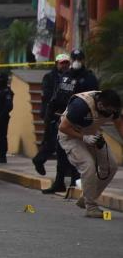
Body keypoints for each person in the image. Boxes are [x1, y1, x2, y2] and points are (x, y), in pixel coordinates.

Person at [58, 89, 123, 218]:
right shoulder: (81, 106)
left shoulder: (113, 107)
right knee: (88, 165)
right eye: (108, 110)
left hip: (92, 133)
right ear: (100, 104)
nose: (109, 113)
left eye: (112, 111)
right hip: (71, 136)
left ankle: (87, 197)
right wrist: (83, 138)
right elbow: (63, 127)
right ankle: (91, 207)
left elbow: (119, 125)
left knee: (111, 166)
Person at [42, 49, 98, 194]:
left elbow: (93, 100)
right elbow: (56, 96)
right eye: (75, 58)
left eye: (79, 58)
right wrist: (49, 116)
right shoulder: (65, 76)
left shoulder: (89, 78)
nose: (77, 61)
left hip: (79, 121)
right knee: (61, 153)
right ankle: (59, 183)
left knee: (76, 154)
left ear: (84, 60)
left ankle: (75, 182)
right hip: (61, 119)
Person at [32, 53, 71, 175]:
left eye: (66, 63)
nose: (64, 65)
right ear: (56, 64)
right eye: (62, 63)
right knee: (51, 141)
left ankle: (67, 169)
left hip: (64, 113)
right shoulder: (49, 77)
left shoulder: (69, 77)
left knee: (63, 141)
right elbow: (47, 96)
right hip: (52, 113)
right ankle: (39, 160)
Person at [0, 72, 14, 163]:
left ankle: (2, 156)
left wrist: (0, 116)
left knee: (1, 137)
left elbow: (9, 106)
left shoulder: (6, 91)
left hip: (2, 118)